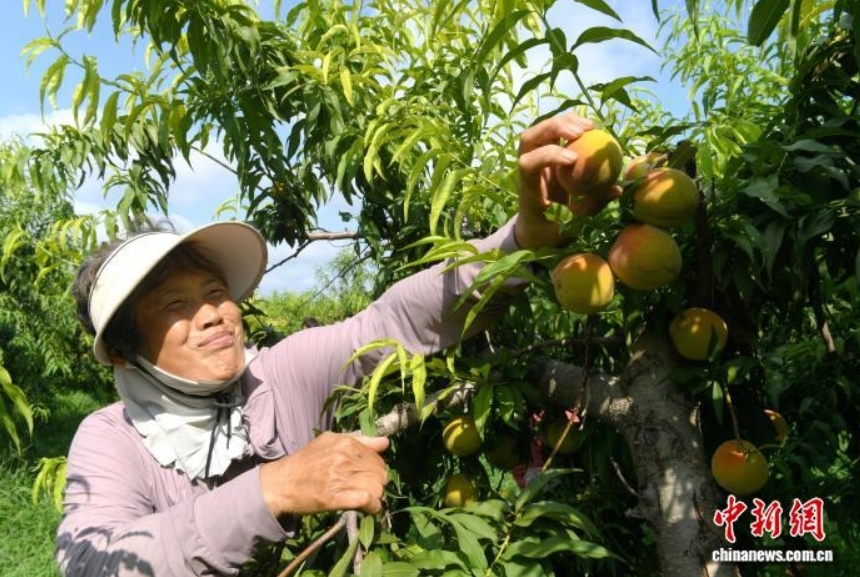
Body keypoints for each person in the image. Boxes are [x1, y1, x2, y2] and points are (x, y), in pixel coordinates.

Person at [55, 113, 602, 576]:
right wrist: (272, 489)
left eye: (216, 292)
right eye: (175, 306)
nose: (214, 315)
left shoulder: (275, 377)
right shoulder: (112, 440)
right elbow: (89, 561)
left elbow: (391, 321)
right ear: (126, 353)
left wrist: (524, 238)